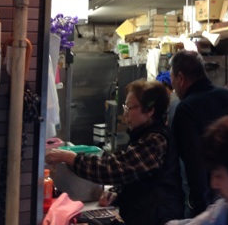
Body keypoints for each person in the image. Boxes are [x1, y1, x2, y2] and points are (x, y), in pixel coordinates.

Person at [45, 79, 184, 225]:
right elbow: (137, 178)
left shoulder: (156, 140)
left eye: (130, 107)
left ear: (149, 110)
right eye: (125, 107)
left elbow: (116, 168)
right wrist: (117, 193)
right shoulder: (143, 136)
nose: (125, 114)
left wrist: (72, 158)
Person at [170, 50, 228, 217]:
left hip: (212, 202)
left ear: (180, 78)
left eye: (172, 80)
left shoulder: (186, 109)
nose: (173, 87)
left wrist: (200, 208)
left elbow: (194, 163)